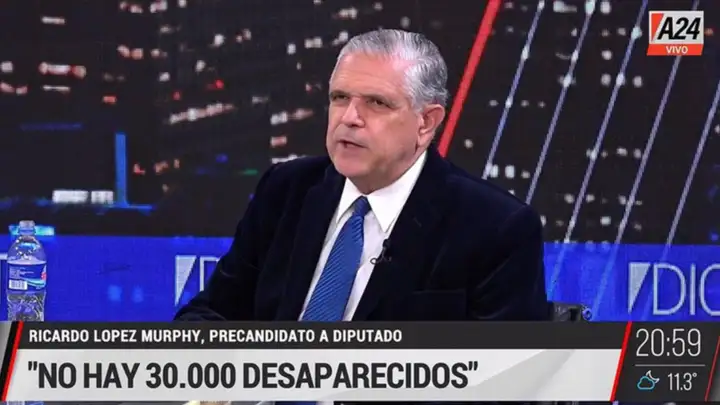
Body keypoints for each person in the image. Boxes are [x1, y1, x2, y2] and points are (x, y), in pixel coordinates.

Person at [175, 29, 549, 323]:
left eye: (377, 103)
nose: (349, 118)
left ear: (426, 123)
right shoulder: (286, 190)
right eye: (340, 98)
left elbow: (500, 378)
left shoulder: (495, 228)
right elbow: (212, 313)